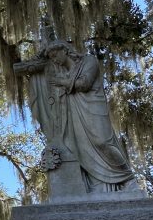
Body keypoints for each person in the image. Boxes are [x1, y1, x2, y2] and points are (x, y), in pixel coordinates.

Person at [28, 41, 137, 193]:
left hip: (93, 107)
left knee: (102, 142)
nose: (54, 60)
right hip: (76, 112)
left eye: (55, 55)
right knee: (81, 147)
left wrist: (62, 82)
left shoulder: (89, 61)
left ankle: (128, 178)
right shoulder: (66, 72)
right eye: (51, 58)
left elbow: (85, 83)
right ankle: (97, 185)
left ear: (64, 50)